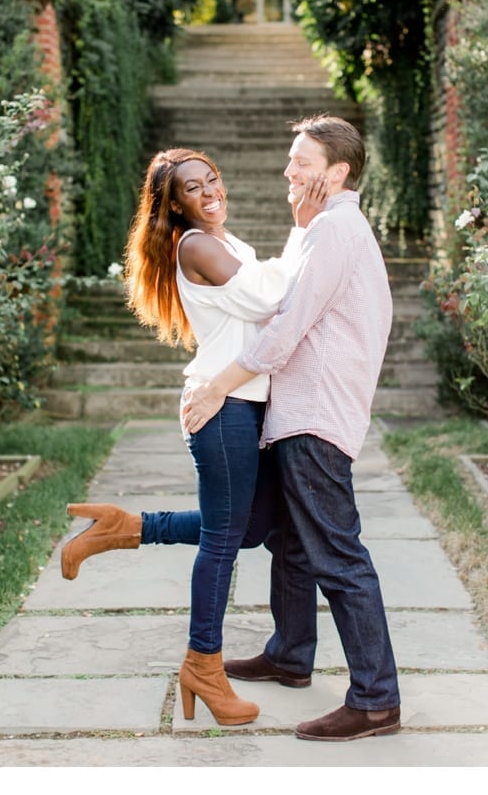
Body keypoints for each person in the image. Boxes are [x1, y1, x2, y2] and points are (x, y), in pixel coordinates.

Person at [59, 147, 326, 726]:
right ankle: (203, 665)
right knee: (224, 542)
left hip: (240, 403)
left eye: (213, 180)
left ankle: (126, 527)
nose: (210, 193)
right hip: (222, 408)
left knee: (250, 528)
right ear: (172, 204)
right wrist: (304, 232)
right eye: (192, 188)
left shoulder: (222, 243)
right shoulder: (195, 244)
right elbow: (269, 298)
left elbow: (263, 297)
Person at [181, 114, 402, 743]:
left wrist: (220, 383)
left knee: (337, 553)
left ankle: (376, 699)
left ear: (336, 173)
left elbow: (286, 321)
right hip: (300, 410)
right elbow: (284, 294)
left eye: (301, 163)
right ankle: (289, 653)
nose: (288, 171)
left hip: (314, 412)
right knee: (290, 540)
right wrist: (300, 227)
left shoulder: (336, 229)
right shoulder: (323, 227)